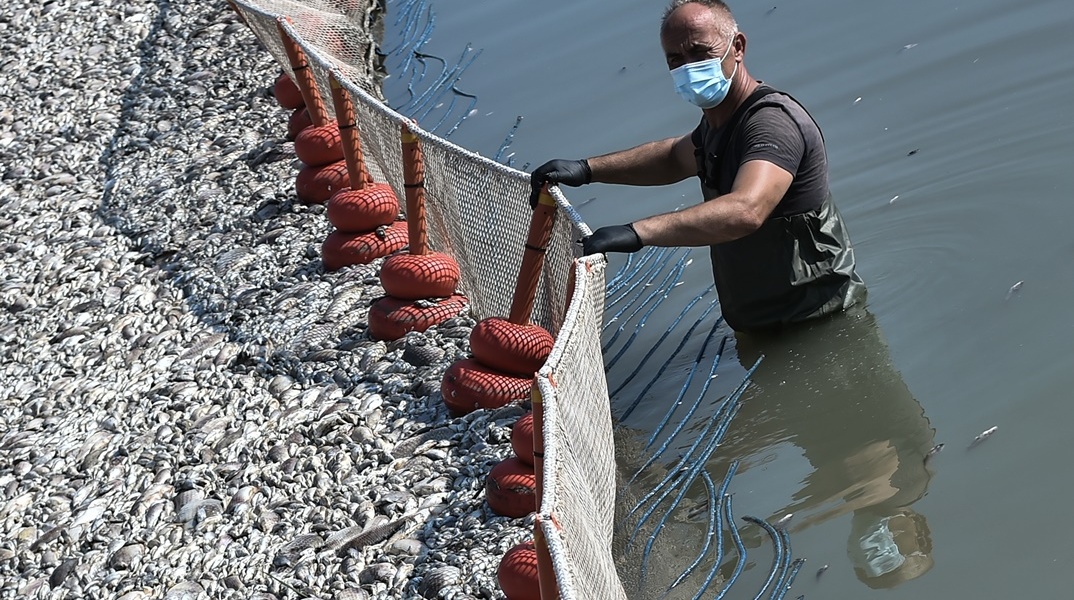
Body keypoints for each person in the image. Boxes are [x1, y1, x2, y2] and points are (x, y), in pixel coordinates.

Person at [529, 0, 865, 332]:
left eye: (700, 52)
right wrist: (586, 170)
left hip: (824, 321)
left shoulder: (771, 124)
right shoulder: (717, 125)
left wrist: (637, 233)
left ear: (738, 47)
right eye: (675, 59)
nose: (688, 67)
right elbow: (673, 157)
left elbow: (746, 210)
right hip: (763, 322)